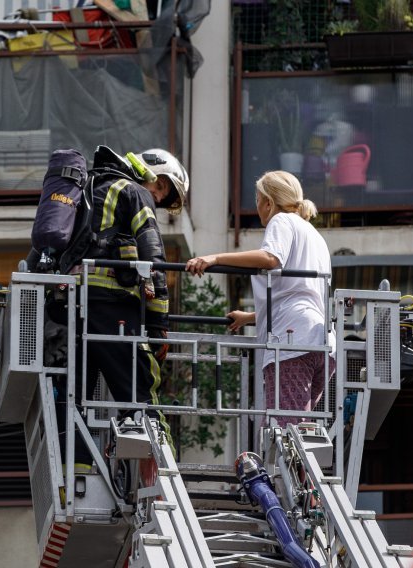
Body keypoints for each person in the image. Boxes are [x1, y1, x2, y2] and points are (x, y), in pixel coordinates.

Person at [65, 146, 189, 470]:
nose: (158, 198)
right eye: (162, 187)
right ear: (150, 172)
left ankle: (76, 477)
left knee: (75, 400)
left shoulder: (89, 187)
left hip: (73, 308)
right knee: (141, 393)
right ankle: (165, 477)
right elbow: (154, 258)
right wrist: (160, 323)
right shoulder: (135, 193)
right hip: (114, 309)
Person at [185, 170, 334, 426]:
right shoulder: (313, 234)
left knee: (286, 432)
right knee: (299, 430)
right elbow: (300, 294)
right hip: (321, 342)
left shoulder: (281, 221)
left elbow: (271, 258)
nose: (257, 207)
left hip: (291, 342)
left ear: (269, 202)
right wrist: (250, 318)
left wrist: (215, 258)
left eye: (257, 199)